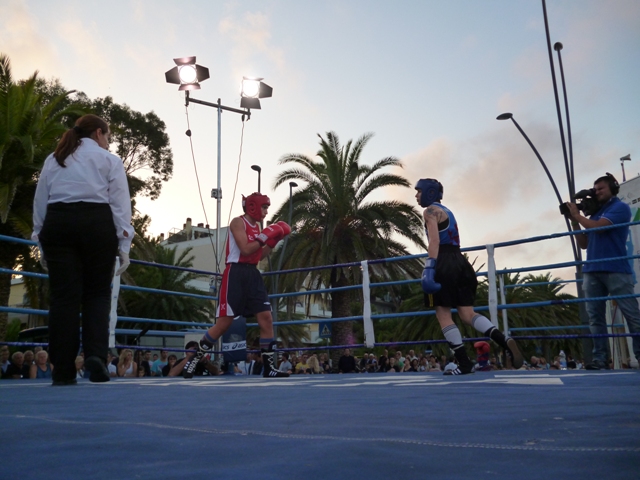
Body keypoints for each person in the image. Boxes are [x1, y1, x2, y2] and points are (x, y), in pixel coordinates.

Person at [32, 114, 134, 386]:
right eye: (108, 137)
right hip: (96, 223)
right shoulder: (109, 161)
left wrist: (40, 240)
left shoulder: (54, 159)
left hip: (58, 223)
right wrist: (124, 244)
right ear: (99, 133)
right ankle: (96, 358)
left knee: (63, 298)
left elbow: (40, 202)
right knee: (97, 295)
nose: (108, 143)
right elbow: (121, 206)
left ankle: (62, 368)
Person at [415, 178, 523, 375]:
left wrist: (430, 267)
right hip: (461, 262)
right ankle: (503, 339)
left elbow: (435, 241)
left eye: (419, 191)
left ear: (429, 193)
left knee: (443, 314)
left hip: (444, 262)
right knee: (467, 314)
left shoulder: (430, 211)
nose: (416, 195)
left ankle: (464, 363)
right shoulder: (449, 212)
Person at [182, 193, 290, 378]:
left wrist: (273, 241)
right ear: (253, 206)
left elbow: (259, 255)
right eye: (264, 208)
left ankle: (269, 368)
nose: (266, 212)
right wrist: (265, 235)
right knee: (224, 324)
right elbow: (245, 249)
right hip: (235, 274)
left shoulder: (257, 228)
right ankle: (193, 360)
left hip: (252, 274)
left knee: (266, 318)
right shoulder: (237, 222)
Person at [567, 173, 640, 370]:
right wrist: (574, 221)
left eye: (601, 189)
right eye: (595, 189)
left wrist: (577, 215)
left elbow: (599, 229)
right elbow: (583, 243)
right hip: (592, 270)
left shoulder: (620, 208)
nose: (597, 192)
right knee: (595, 318)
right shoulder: (594, 214)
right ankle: (600, 359)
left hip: (615, 268)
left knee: (632, 315)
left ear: (613, 189)